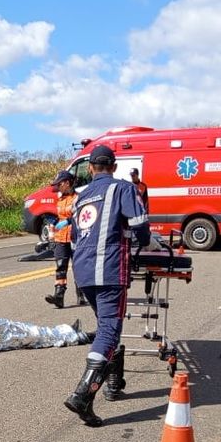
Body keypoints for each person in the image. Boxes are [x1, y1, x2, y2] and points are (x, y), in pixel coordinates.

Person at [64, 144, 150, 427]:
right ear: (113, 167)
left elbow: (75, 237)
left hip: (84, 271)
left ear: (90, 169)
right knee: (110, 330)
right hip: (110, 269)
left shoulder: (80, 197)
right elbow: (140, 223)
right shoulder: (122, 189)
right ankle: (83, 395)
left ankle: (112, 380)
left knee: (105, 327)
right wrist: (143, 241)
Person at [44, 170, 84, 308]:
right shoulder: (60, 200)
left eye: (59, 184)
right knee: (61, 267)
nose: (58, 187)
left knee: (78, 267)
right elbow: (60, 216)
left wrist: (68, 221)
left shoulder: (78, 198)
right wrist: (54, 221)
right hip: (61, 238)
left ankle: (82, 295)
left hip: (75, 237)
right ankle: (59, 297)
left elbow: (80, 217)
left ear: (67, 183)